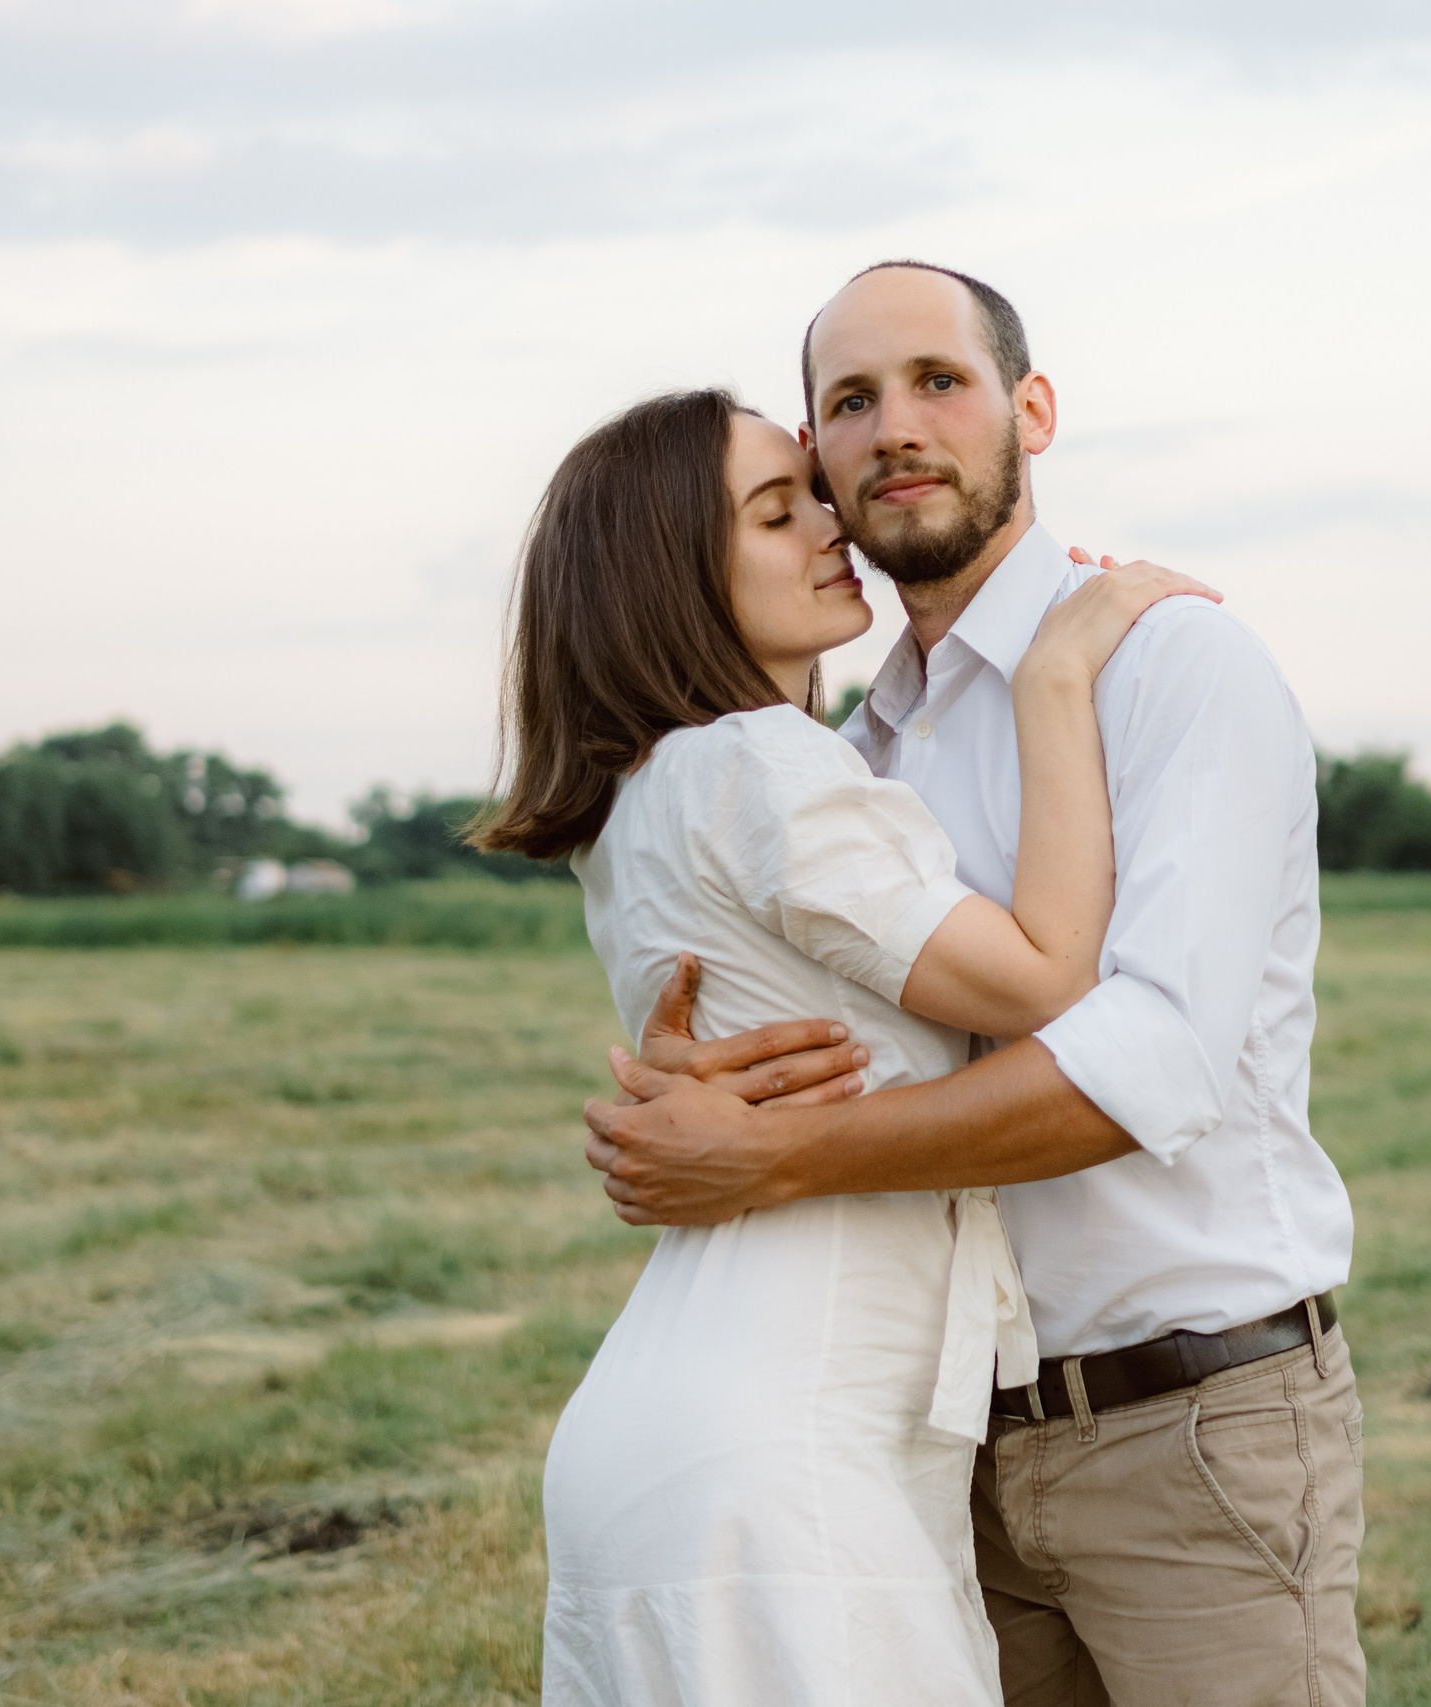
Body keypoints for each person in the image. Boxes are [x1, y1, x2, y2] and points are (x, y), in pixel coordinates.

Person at [583, 263, 1366, 1707]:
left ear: (1031, 410)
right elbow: (848, 1030)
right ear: (818, 455)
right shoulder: (858, 749)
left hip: (1188, 1424)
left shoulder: (1170, 662)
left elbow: (1151, 1062)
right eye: (850, 401)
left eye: (938, 382)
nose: (895, 428)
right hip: (944, 1449)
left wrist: (770, 1154)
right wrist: (694, 1090)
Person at [472, 385, 1215, 1705]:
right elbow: (1046, 978)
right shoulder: (759, 763)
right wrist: (1052, 675)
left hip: (678, 1426)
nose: (833, 525)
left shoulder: (645, 797)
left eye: (812, 492)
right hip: (782, 1448)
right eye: (778, 510)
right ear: (671, 579)